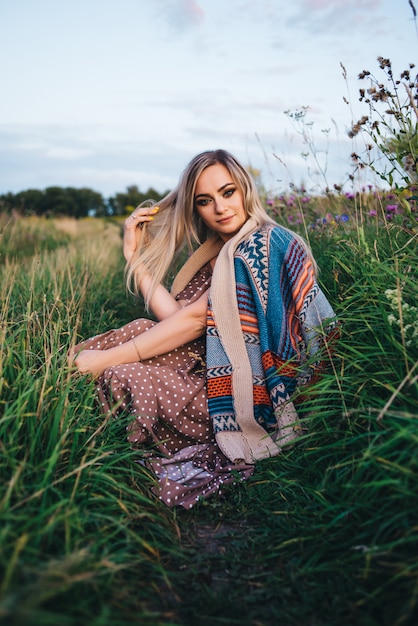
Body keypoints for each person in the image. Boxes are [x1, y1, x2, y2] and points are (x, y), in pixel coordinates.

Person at [69, 149, 338, 509]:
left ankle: (89, 450)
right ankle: (69, 421)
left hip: (250, 394)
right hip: (212, 372)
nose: (220, 208)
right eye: (205, 200)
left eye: (228, 192)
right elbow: (176, 318)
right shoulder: (224, 251)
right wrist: (134, 257)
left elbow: (193, 321)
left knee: (126, 373)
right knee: (138, 329)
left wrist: (105, 360)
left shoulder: (262, 244)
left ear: (245, 189)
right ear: (195, 208)